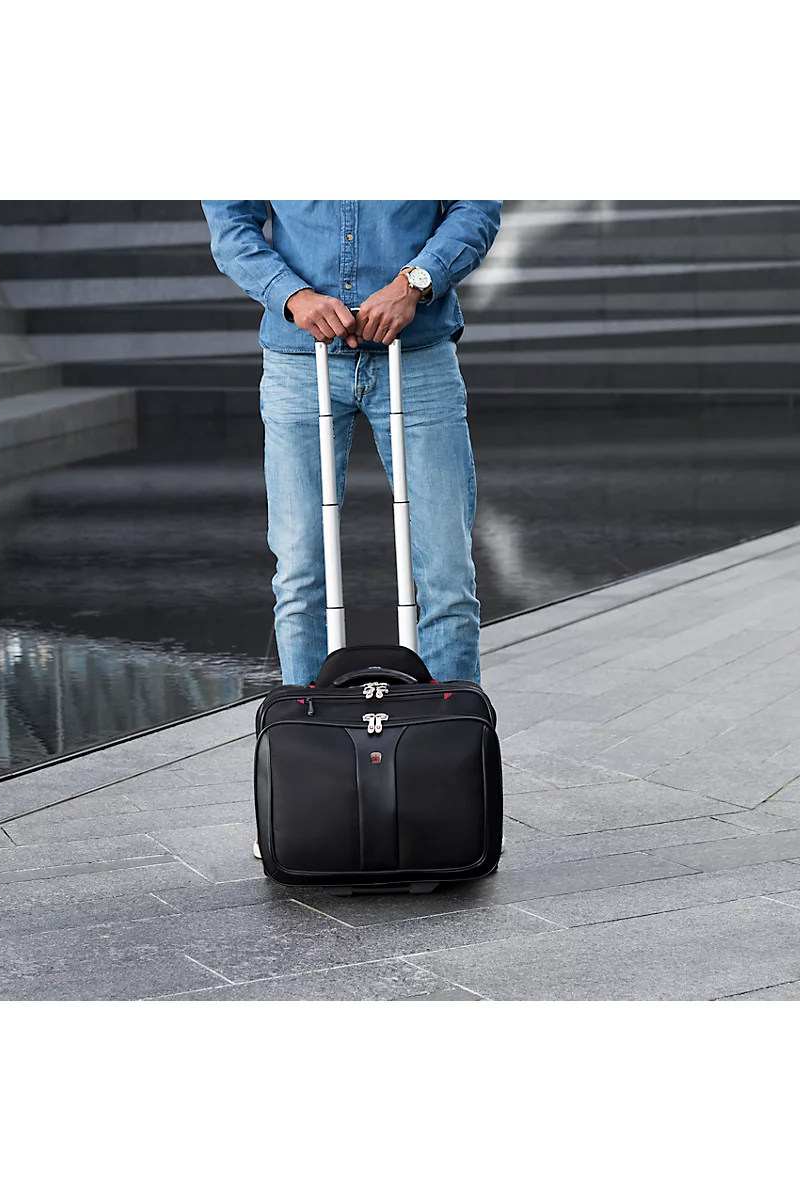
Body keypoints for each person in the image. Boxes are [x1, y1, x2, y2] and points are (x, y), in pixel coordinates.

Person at [200, 201, 503, 859]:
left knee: (445, 574)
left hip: (416, 355)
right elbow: (232, 224)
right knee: (302, 574)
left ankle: (448, 786)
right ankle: (308, 789)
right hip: (298, 360)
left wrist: (414, 282)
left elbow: (476, 205)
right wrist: (295, 297)